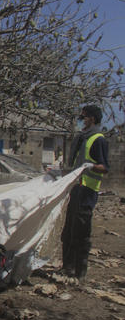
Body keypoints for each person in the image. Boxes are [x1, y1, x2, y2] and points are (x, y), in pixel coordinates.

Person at [60, 105, 109, 282]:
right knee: (69, 230)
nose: (82, 120)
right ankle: (67, 267)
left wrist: (91, 166)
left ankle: (80, 271)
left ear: (93, 119)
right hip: (76, 189)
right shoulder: (81, 138)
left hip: (87, 190)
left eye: (85, 117)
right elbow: (74, 164)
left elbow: (104, 167)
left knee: (81, 231)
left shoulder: (98, 139)